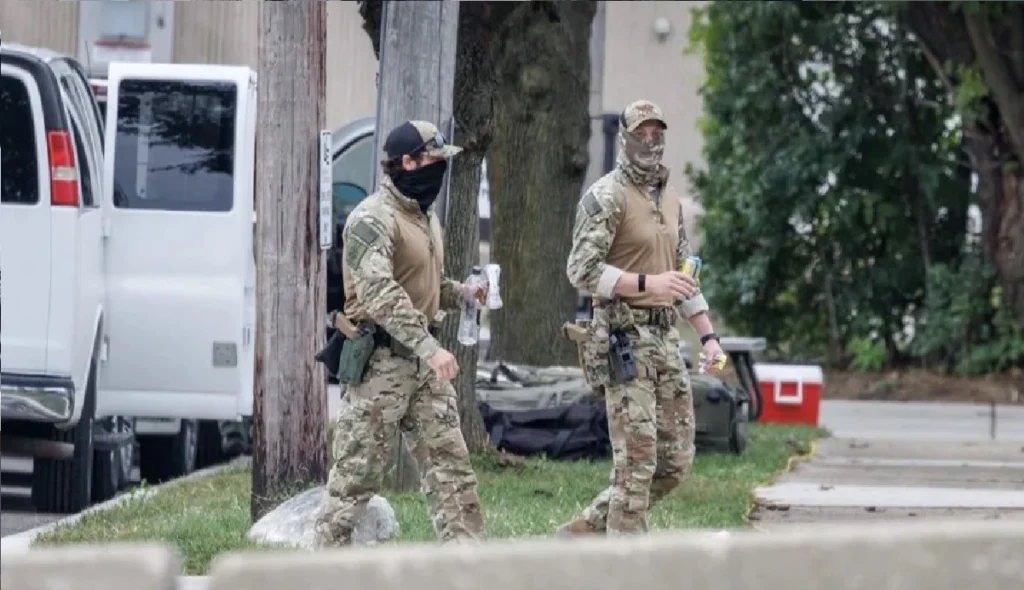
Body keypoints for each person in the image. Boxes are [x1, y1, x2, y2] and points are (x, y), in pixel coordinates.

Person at [313, 120, 487, 548]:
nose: (440, 170)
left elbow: (424, 285)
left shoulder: (424, 217)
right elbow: (380, 294)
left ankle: (469, 567)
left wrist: (461, 294)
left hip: (423, 367)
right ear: (407, 163)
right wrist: (431, 349)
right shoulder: (371, 219)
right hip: (381, 364)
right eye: (434, 161)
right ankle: (322, 568)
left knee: (452, 471)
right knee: (356, 477)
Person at [559, 100, 725, 537]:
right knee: (636, 464)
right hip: (623, 340)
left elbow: (685, 274)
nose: (650, 141)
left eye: (657, 133)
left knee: (675, 462)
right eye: (640, 133)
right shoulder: (606, 196)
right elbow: (581, 270)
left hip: (666, 341)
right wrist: (649, 283)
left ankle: (588, 528)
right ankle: (628, 561)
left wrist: (709, 338)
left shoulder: (669, 201)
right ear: (624, 138)